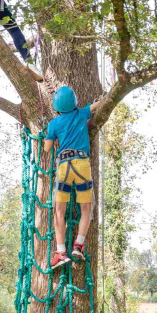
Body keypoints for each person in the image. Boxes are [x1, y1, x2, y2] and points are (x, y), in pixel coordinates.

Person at [43, 86, 99, 269]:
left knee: (60, 210)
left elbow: (47, 148)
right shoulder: (82, 114)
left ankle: (60, 252)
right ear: (74, 102)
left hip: (64, 168)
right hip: (82, 166)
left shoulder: (54, 123)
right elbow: (96, 106)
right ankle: (79, 246)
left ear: (56, 107)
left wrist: (49, 135)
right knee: (86, 209)